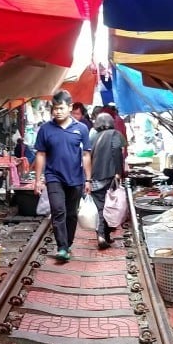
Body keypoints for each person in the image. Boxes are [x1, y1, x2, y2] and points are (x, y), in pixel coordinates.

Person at [34, 89, 92, 261]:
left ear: (70, 107)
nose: (57, 111)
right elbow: (40, 154)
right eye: (55, 108)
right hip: (53, 177)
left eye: (61, 108)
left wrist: (88, 179)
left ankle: (68, 242)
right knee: (58, 210)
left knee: (71, 214)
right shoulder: (45, 129)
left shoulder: (81, 129)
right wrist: (38, 180)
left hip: (76, 178)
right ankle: (62, 247)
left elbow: (86, 155)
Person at [89, 113, 126, 249]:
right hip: (109, 175)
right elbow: (116, 151)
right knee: (109, 206)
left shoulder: (93, 136)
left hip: (94, 176)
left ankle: (102, 235)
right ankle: (104, 234)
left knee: (100, 207)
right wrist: (118, 171)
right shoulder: (114, 134)